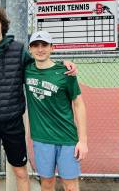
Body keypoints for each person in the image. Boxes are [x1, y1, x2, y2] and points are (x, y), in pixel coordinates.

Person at [0, 7, 77, 191]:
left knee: (21, 171)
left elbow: (42, 61)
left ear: (2, 25)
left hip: (13, 121)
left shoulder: (19, 50)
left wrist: (63, 64)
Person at [25, 31, 88, 191]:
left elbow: (79, 105)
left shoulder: (65, 73)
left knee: (70, 186)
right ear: (30, 49)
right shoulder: (26, 70)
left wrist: (83, 140)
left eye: (44, 45)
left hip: (67, 138)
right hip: (42, 139)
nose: (40, 49)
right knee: (46, 184)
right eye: (35, 45)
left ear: (52, 48)